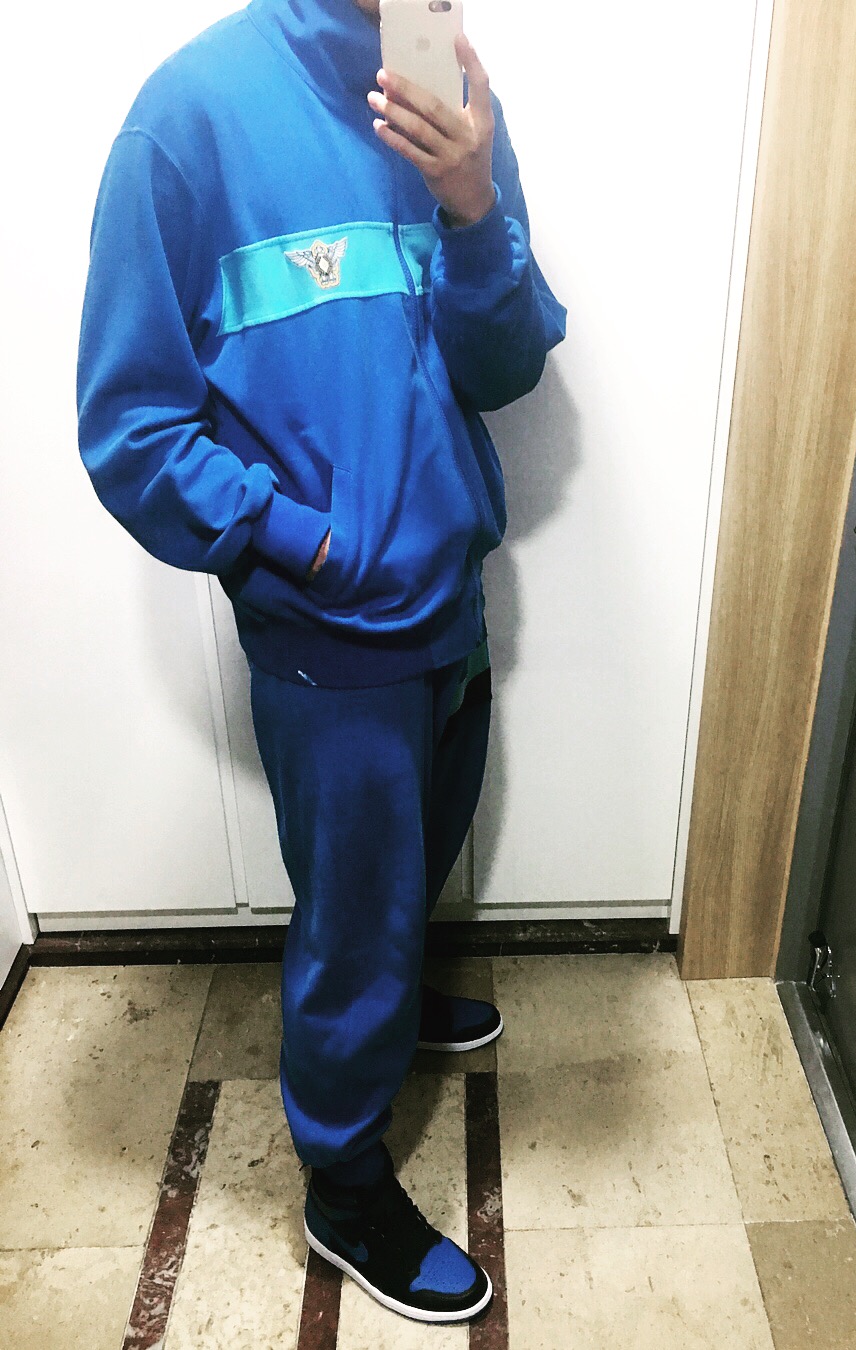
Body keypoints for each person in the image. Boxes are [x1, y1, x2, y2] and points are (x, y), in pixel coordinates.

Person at [76, 0, 566, 1324]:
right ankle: (344, 1187)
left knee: (414, 859)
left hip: (449, 602)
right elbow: (129, 427)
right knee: (352, 916)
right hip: (328, 634)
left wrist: (475, 203)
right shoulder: (188, 120)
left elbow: (504, 366)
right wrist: (310, 544)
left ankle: (387, 1001)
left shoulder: (450, 97)